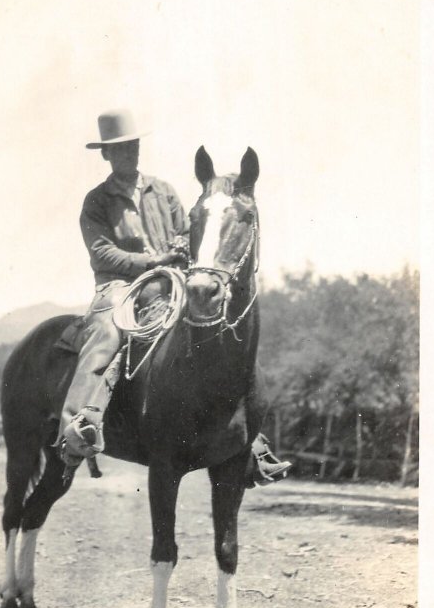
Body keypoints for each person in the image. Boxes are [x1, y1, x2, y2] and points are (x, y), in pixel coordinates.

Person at [56, 109, 291, 486]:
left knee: (219, 328)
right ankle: (79, 424)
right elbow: (102, 252)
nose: (127, 154)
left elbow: (187, 229)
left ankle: (247, 438)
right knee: (106, 331)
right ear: (106, 155)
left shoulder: (162, 191)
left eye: (131, 146)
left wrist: (182, 248)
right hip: (120, 286)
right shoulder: (97, 201)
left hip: (171, 282)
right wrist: (153, 260)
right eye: (118, 150)